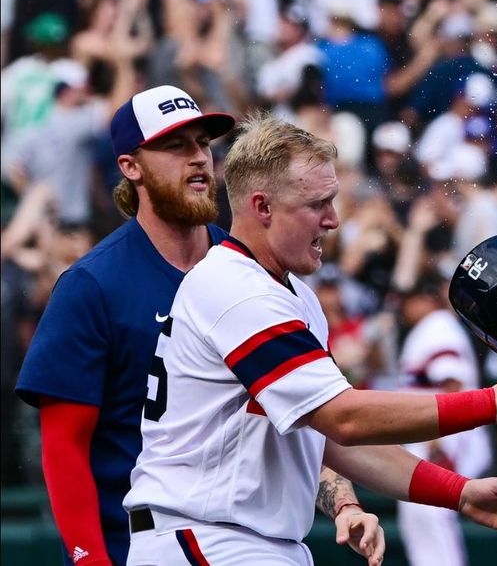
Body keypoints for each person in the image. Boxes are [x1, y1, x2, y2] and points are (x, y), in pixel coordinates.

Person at [122, 113, 497, 563]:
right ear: (261, 207)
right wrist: (492, 405)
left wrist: (457, 491)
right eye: (316, 204)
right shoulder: (236, 289)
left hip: (243, 538)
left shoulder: (291, 294)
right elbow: (344, 418)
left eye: (333, 200)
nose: (333, 220)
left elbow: (329, 437)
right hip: (205, 535)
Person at [14, 86, 385, 566]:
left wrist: (343, 501)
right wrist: (90, 560)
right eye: (175, 146)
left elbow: (300, 410)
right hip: (138, 541)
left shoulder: (253, 271)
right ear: (131, 167)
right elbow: (64, 446)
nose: (198, 158)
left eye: (203, 143)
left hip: (238, 540)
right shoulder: (93, 285)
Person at [394, 277, 494, 566]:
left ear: (427, 300)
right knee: (423, 514)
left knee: (430, 512)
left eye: (411, 299)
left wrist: (438, 445)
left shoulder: (437, 325)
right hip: (435, 438)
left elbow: (452, 383)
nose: (406, 307)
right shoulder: (431, 328)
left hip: (444, 439)